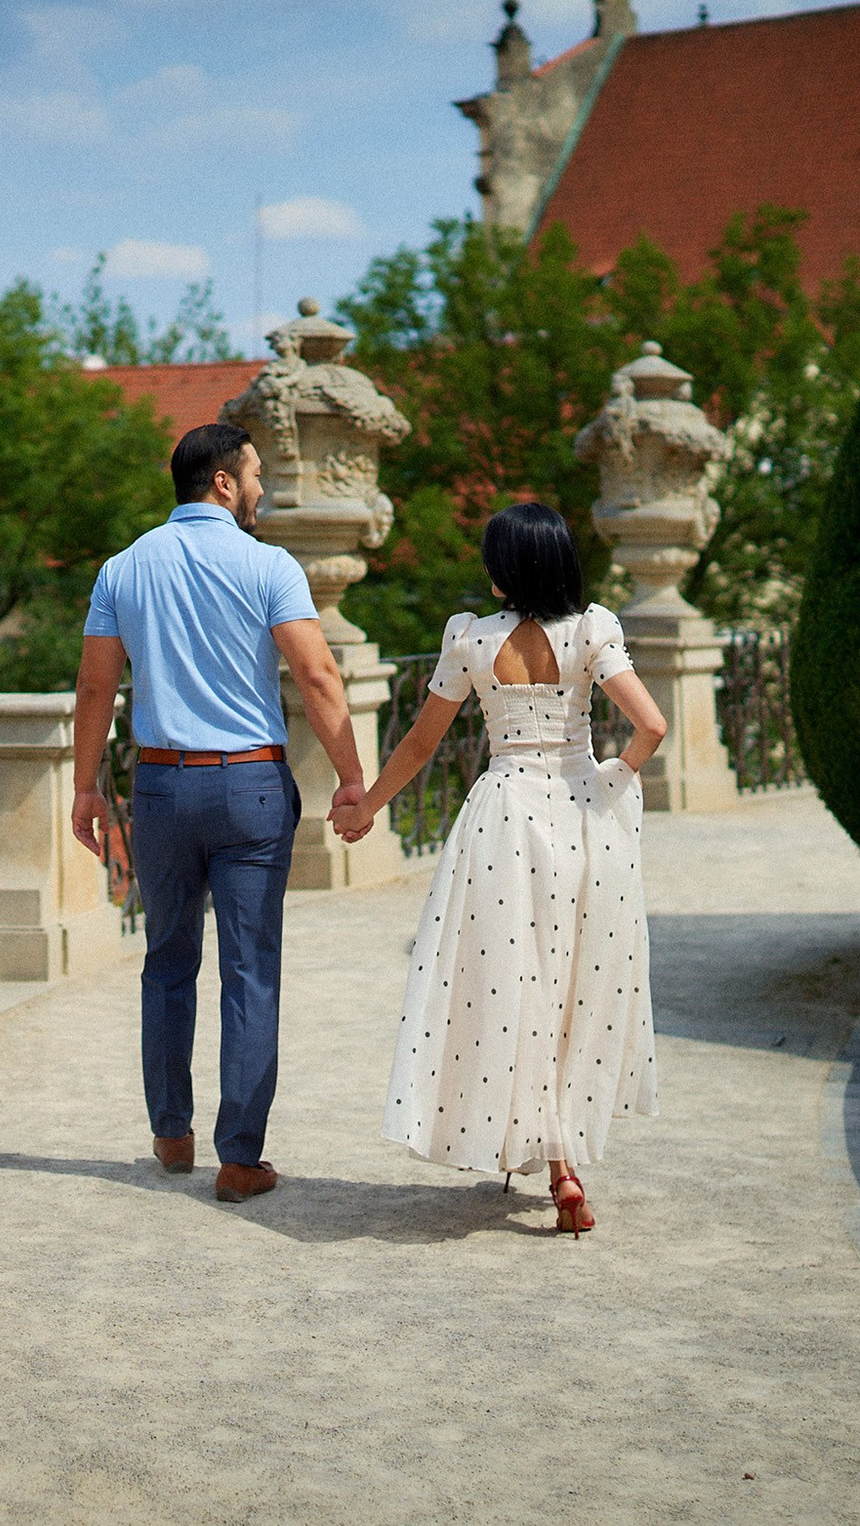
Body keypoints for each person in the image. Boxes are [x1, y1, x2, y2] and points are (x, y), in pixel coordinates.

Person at [334, 504, 668, 1236]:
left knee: (515, 984)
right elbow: (652, 724)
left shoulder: (472, 639)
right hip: (582, 817)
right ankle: (563, 1164)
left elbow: (421, 744)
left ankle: (542, 1152)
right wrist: (612, 779)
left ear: (506, 568)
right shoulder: (591, 630)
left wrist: (366, 808)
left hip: (505, 817)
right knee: (572, 984)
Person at [72, 424, 368, 1203]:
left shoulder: (122, 567)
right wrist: (352, 781)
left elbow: (96, 688)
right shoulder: (268, 564)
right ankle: (239, 1157)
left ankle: (172, 1135)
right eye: (257, 474)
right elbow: (318, 674)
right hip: (249, 788)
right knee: (249, 970)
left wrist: (85, 785)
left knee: (167, 960)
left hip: (162, 789)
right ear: (225, 485)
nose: (264, 487)